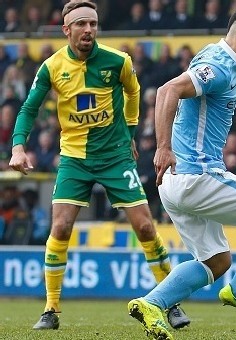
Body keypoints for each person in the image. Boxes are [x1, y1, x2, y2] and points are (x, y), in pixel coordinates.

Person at [8, 0, 190, 331]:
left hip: (115, 157)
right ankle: (50, 309)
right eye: (81, 24)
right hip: (75, 158)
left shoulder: (118, 61)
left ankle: (170, 302)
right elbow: (28, 108)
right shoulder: (51, 67)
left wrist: (131, 133)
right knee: (60, 228)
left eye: (93, 23)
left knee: (146, 227)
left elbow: (133, 93)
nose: (89, 30)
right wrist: (18, 146)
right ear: (67, 30)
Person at [126, 4, 236, 340]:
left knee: (216, 260)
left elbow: (231, 52)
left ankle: (152, 303)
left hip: (174, 185)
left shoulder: (218, 53)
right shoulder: (217, 67)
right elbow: (167, 90)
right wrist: (162, 146)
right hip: (198, 175)